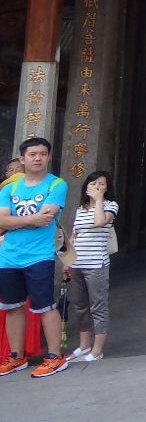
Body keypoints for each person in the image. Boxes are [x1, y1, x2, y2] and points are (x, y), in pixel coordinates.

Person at [0, 137, 69, 378]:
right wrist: (31, 220)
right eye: (32, 154)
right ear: (22, 159)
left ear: (49, 157)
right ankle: (17, 356)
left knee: (45, 306)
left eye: (42, 153)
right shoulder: (9, 189)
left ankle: (55, 357)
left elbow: (46, 218)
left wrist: (13, 222)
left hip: (39, 256)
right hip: (8, 257)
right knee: (12, 307)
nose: (38, 158)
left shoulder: (56, 185)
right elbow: (1, 221)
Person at [65, 171, 118, 363]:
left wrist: (99, 199)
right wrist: (67, 261)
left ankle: (97, 350)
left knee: (98, 306)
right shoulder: (80, 209)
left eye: (102, 184)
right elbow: (74, 236)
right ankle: (84, 345)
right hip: (76, 264)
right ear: (86, 186)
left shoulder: (111, 206)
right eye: (93, 183)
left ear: (107, 188)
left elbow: (99, 222)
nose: (97, 186)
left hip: (96, 264)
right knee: (80, 306)